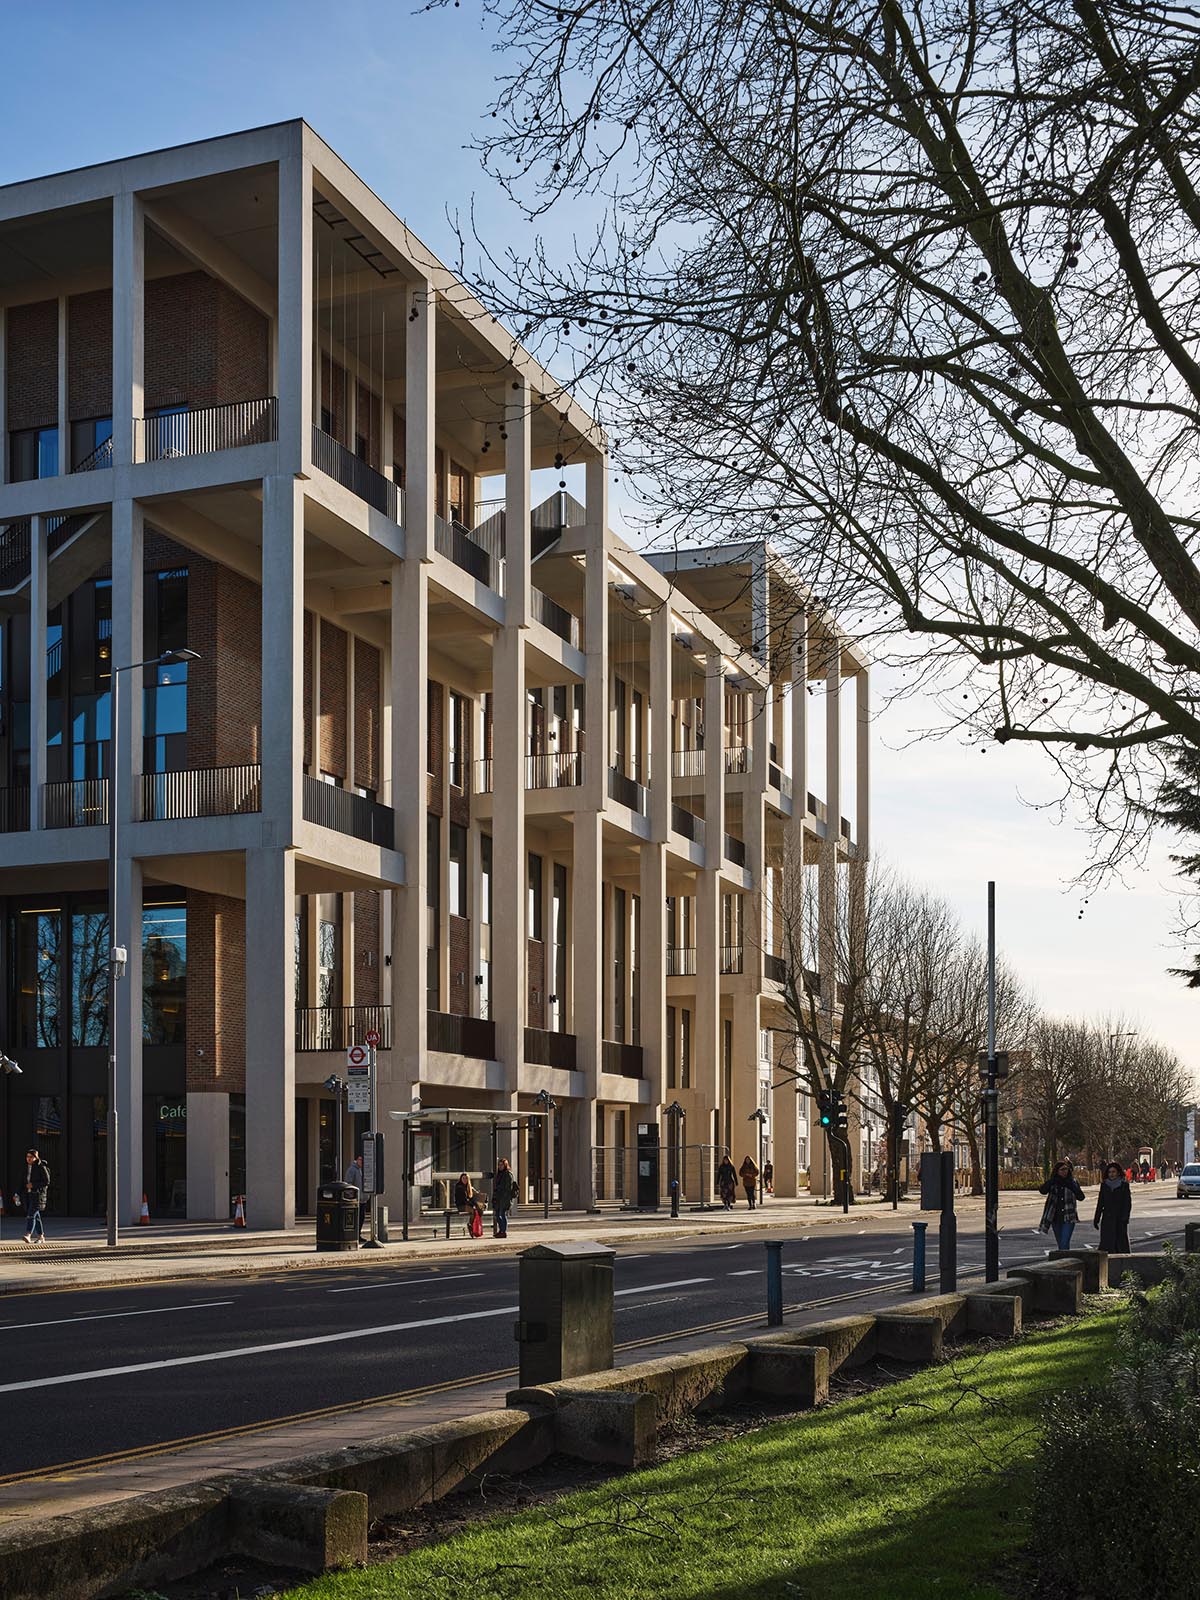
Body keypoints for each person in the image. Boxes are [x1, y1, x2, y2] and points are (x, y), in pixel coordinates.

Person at [1038, 1159, 1085, 1251]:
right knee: (1061, 1244)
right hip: (1056, 1217)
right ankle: (1063, 1261)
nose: (1064, 1172)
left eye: (1066, 1169)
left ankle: (1064, 1261)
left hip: (1069, 1216)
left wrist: (1072, 1186)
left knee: (1064, 1242)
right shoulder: (1054, 1182)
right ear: (1057, 1171)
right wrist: (1051, 1181)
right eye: (1062, 1170)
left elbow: (1081, 1197)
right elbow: (1042, 1190)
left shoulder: (1072, 1182)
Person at [1093, 1161, 1132, 1254]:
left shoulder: (1124, 1185)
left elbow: (1127, 1203)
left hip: (1119, 1218)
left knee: (1120, 1242)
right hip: (1107, 1218)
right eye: (1110, 1172)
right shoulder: (1104, 1185)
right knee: (1107, 1242)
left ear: (1118, 1172)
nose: (1111, 1174)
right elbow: (1100, 1202)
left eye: (1113, 1172)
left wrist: (1125, 1218)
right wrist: (1096, 1218)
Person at [23, 1148, 49, 1245]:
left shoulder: (41, 1166)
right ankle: (41, 1236)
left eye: (31, 1157)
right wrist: (17, 1193)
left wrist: (33, 1185)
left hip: (38, 1196)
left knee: (31, 1215)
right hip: (29, 1195)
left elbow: (47, 1181)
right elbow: (22, 1181)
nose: (28, 1159)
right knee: (36, 1216)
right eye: (27, 1157)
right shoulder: (26, 1167)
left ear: (35, 1157)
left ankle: (28, 1235)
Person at [491, 1157, 517, 1239]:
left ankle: (503, 1231)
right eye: (499, 1165)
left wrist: (503, 1195)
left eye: (501, 1165)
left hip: (505, 1198)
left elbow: (508, 1187)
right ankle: (501, 1230)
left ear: (505, 1165)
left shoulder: (508, 1174)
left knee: (502, 1214)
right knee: (497, 1215)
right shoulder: (499, 1174)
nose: (500, 1166)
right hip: (498, 1197)